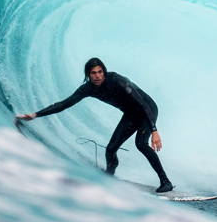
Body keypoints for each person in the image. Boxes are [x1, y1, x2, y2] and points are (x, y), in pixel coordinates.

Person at [16, 58, 173, 193]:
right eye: (93, 73)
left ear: (104, 71)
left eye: (100, 72)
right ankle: (109, 175)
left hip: (147, 109)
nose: (97, 76)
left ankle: (165, 182)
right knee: (111, 149)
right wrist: (36, 115)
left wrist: (154, 130)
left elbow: (141, 102)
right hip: (131, 114)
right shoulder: (88, 89)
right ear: (88, 75)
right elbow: (65, 103)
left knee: (141, 143)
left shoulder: (118, 80)